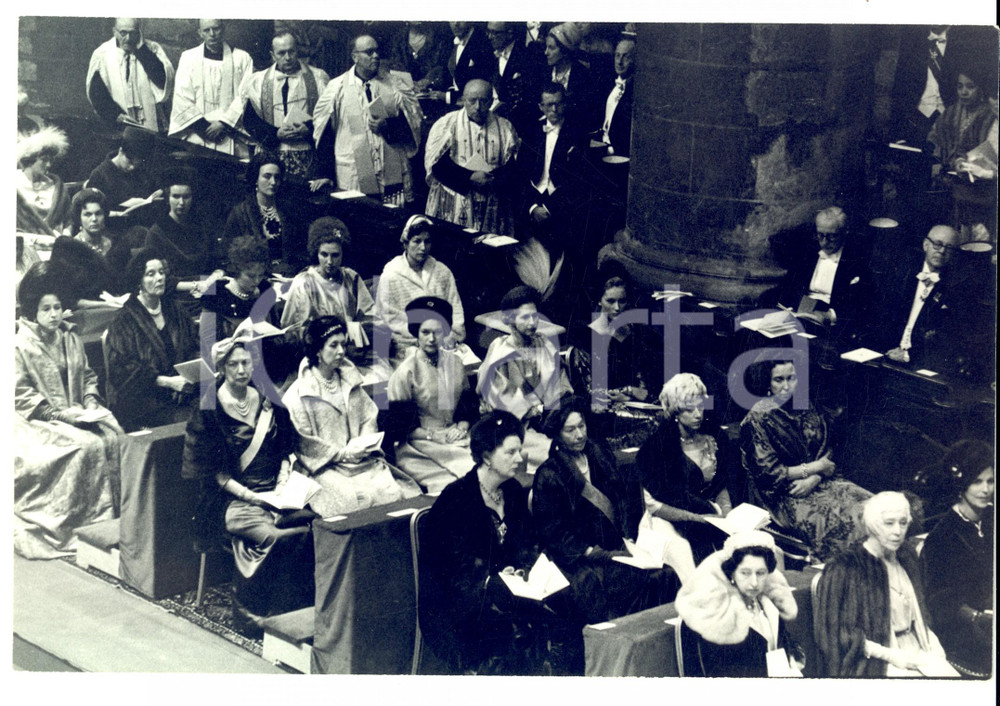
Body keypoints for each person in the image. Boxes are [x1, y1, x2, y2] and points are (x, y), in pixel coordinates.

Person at [181, 332, 314, 626]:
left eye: (246, 363)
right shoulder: (208, 409)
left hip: (275, 494)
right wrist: (251, 497)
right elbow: (214, 474)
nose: (242, 370)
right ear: (221, 368)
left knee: (313, 526)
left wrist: (282, 482)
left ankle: (292, 609)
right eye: (233, 365)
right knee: (273, 537)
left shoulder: (267, 398)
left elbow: (285, 448)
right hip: (230, 500)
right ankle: (253, 613)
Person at [419, 410, 553, 675]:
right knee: (511, 631)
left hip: (507, 592)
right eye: (510, 452)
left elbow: (528, 543)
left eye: (519, 451)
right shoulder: (456, 499)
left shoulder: (512, 491)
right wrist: (496, 580)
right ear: (486, 456)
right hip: (459, 606)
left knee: (558, 608)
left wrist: (523, 570)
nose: (520, 458)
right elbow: (453, 570)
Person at [531, 397, 682, 625]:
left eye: (582, 426)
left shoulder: (599, 456)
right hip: (581, 558)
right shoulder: (549, 474)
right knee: (634, 580)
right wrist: (597, 553)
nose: (579, 435)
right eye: (570, 430)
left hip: (615, 545)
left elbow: (622, 503)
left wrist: (627, 540)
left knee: (667, 574)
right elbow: (554, 534)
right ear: (557, 434)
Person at [14, 263, 123, 559]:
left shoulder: (70, 337)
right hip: (35, 420)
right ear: (33, 311)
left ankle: (111, 524)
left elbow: (87, 375)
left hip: (78, 411)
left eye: (57, 307)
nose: (53, 314)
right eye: (46, 308)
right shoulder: (19, 345)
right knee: (83, 447)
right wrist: (62, 416)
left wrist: (90, 403)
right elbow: (21, 395)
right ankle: (77, 526)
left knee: (113, 436)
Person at [282, 316, 421, 518]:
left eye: (344, 344)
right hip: (324, 467)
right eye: (333, 345)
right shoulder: (298, 394)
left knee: (390, 493)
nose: (341, 351)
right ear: (317, 350)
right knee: (351, 500)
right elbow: (303, 441)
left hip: (361, 460)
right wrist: (341, 455)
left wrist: (361, 445)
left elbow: (368, 417)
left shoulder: (350, 381)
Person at [739, 359, 872, 561]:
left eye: (791, 378)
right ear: (768, 382)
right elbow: (769, 473)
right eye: (779, 380)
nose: (786, 386)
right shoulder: (757, 419)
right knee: (845, 522)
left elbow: (827, 449)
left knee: (875, 507)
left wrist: (816, 477)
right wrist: (816, 467)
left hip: (821, 481)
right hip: (785, 494)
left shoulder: (807, 406)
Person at [814, 491, 949, 678]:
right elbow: (838, 635)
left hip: (918, 650)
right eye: (889, 523)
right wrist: (892, 656)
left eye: (903, 523)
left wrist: (933, 642)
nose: (898, 531)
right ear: (873, 524)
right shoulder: (846, 568)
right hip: (874, 662)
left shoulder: (907, 557)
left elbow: (921, 614)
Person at [637, 374, 737, 562]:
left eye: (701, 406)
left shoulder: (714, 437)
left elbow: (721, 483)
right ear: (675, 411)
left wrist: (726, 510)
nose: (698, 414)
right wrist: (698, 518)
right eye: (690, 409)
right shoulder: (657, 447)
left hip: (713, 516)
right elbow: (653, 503)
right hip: (672, 521)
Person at [312, 34, 422, 205]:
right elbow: (324, 133)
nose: (376, 56)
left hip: (391, 169)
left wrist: (389, 126)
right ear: (355, 57)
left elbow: (415, 123)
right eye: (369, 52)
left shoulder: (396, 85)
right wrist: (325, 173)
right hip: (354, 171)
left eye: (377, 51)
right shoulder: (336, 88)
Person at [675, 531, 803, 678]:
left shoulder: (769, 606)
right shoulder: (716, 616)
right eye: (745, 573)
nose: (754, 582)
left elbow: (784, 648)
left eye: (760, 573)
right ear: (732, 573)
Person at [387, 297, 479, 493]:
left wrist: (462, 426)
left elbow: (467, 404)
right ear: (416, 333)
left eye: (437, 332)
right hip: (418, 444)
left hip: (457, 435)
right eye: (425, 332)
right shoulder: (406, 371)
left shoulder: (455, 363)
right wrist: (433, 435)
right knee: (458, 480)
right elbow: (401, 426)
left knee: (488, 464)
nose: (431, 339)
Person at [477, 286, 572, 471]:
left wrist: (557, 407)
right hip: (516, 426)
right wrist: (537, 410)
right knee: (555, 453)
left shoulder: (543, 344)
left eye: (535, 316)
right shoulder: (500, 352)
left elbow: (560, 383)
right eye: (525, 317)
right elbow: (504, 401)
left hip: (550, 418)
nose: (532, 323)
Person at [920, 440, 994, 678]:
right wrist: (977, 617)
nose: (986, 489)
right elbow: (939, 602)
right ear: (961, 485)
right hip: (969, 634)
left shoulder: (991, 518)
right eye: (977, 482)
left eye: (990, 481)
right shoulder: (942, 537)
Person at [106, 248, 198, 431]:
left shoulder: (176, 310)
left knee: (218, 408)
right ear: (138, 281)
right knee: (197, 420)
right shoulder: (124, 320)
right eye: (151, 274)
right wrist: (166, 381)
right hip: (145, 402)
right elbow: (121, 372)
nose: (159, 278)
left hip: (183, 392)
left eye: (162, 272)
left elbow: (194, 346)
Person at [766, 206, 875, 343]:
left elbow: (861, 303)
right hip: (802, 310)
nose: (824, 242)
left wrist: (830, 315)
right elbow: (789, 284)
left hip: (830, 323)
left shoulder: (856, 260)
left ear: (844, 233)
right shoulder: (808, 253)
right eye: (820, 235)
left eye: (832, 236)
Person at [424, 79, 520, 234]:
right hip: (454, 200)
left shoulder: (505, 127)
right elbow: (436, 165)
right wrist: (469, 177)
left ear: (491, 101)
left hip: (492, 200)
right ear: (463, 99)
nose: (478, 107)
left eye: (483, 101)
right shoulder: (447, 124)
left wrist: (492, 178)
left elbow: (513, 166)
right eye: (472, 101)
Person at [235, 32, 330, 181]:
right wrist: (276, 134)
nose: (288, 57)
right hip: (271, 153)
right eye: (281, 53)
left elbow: (328, 118)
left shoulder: (318, 77)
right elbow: (250, 120)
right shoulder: (257, 81)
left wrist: (309, 129)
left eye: (291, 51)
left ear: (297, 51)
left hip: (306, 151)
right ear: (272, 55)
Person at [877, 225, 970, 373]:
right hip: (885, 353)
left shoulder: (956, 288)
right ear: (926, 245)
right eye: (937, 244)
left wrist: (908, 355)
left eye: (949, 248)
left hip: (920, 365)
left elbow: (949, 339)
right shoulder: (902, 273)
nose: (942, 251)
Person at [374, 215, 466, 357]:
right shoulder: (391, 276)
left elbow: (456, 309)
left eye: (427, 241)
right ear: (405, 244)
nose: (423, 247)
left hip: (444, 342)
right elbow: (389, 318)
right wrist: (422, 337)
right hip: (407, 345)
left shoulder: (443, 272)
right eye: (417, 241)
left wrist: (451, 335)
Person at [567, 274, 662, 408]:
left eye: (622, 301)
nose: (617, 307)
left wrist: (630, 394)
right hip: (601, 407)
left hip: (635, 403)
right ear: (599, 301)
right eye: (610, 301)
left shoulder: (634, 334)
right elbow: (587, 387)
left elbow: (645, 381)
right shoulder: (586, 336)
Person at [280, 216, 375, 343]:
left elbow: (369, 314)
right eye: (324, 254)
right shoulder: (304, 283)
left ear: (343, 254)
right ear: (316, 253)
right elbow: (295, 330)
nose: (329, 261)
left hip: (350, 344)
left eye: (335, 255)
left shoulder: (351, 277)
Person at [169, 19, 254, 158]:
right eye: (206, 30)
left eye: (216, 29)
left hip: (229, 133)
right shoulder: (188, 58)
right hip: (198, 133)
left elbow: (246, 95)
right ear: (200, 33)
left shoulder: (242, 58)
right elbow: (182, 97)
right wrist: (204, 129)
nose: (212, 34)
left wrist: (224, 124)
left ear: (223, 29)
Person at [86, 18, 175, 132]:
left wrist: (142, 50)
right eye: (123, 33)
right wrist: (115, 114)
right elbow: (96, 92)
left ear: (139, 33)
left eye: (133, 33)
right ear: (114, 32)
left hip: (149, 121)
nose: (128, 38)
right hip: (119, 122)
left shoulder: (152, 49)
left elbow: (163, 82)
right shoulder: (102, 54)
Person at [222, 152, 304, 275]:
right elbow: (227, 254)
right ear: (255, 179)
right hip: (254, 277)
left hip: (287, 276)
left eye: (277, 177)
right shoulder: (240, 213)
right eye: (267, 176)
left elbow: (300, 252)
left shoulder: (289, 211)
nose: (273, 182)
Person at [144, 168, 225, 288]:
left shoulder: (203, 227)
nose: (181, 202)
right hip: (177, 293)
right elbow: (159, 280)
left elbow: (219, 262)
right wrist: (198, 285)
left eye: (186, 197)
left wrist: (213, 278)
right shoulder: (157, 232)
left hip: (208, 288)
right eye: (176, 196)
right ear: (168, 198)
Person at [928, 66, 998, 175]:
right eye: (960, 87)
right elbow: (934, 140)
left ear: (980, 88)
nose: (963, 92)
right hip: (947, 174)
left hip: (978, 177)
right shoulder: (950, 113)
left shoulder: (990, 116)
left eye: (970, 87)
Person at [85, 126, 162, 222]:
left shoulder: (140, 173)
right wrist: (118, 211)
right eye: (130, 161)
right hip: (111, 225)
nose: (132, 167)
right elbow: (90, 211)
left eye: (137, 164)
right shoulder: (99, 174)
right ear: (120, 151)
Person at [486, 22, 544, 136]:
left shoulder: (528, 57)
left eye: (495, 33)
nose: (490, 37)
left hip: (519, 125)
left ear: (509, 34)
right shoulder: (489, 54)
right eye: (488, 32)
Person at [16, 126, 72, 237]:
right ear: (30, 159)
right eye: (44, 160)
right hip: (25, 242)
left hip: (56, 242)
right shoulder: (15, 184)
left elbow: (69, 220)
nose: (49, 165)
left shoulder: (56, 187)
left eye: (51, 160)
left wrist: (65, 236)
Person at [543, 23, 598, 121]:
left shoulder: (583, 76)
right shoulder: (543, 72)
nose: (546, 52)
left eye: (551, 48)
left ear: (565, 51)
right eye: (546, 47)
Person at [431, 22, 494, 107]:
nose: (456, 23)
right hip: (451, 100)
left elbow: (481, 87)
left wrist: (446, 96)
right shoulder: (450, 41)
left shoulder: (483, 43)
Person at [598, 37, 635, 157]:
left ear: (635, 60)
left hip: (620, 154)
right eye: (617, 55)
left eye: (626, 57)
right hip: (600, 147)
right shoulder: (607, 84)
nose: (620, 61)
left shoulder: (634, 91)